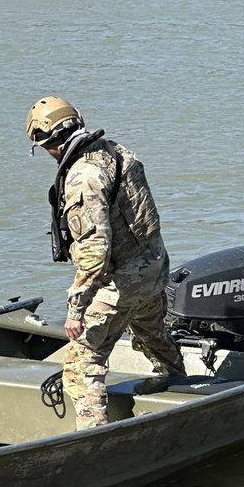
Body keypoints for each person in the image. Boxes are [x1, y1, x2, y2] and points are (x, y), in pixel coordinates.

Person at [25, 96, 184, 431]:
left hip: (121, 282)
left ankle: (94, 435)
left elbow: (95, 251)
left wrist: (76, 309)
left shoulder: (83, 177)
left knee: (82, 363)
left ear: (49, 142)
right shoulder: (117, 152)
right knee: (153, 335)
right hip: (153, 268)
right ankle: (179, 387)